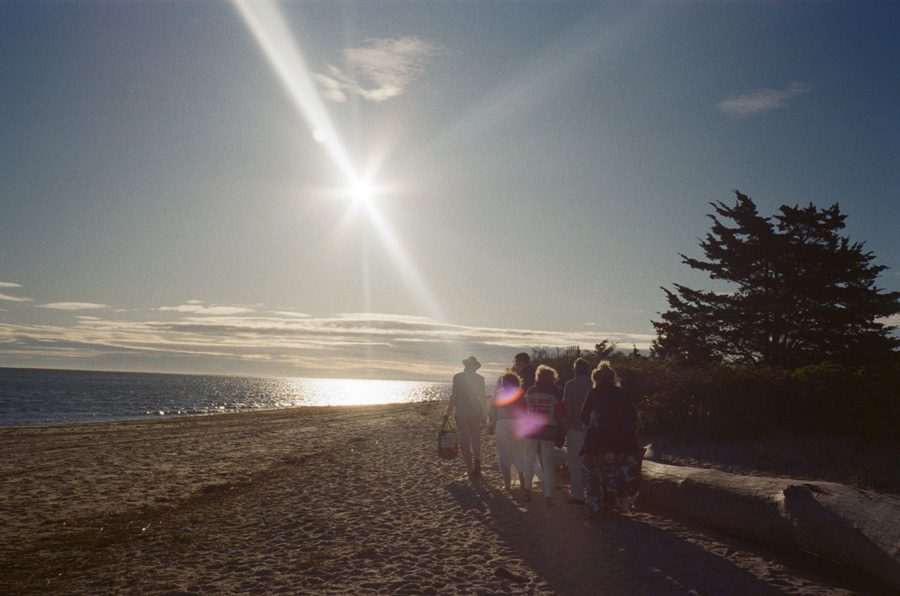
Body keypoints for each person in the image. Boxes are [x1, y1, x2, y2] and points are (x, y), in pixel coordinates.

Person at [580, 361, 640, 518]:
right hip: (620, 442)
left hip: (597, 443)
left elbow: (584, 416)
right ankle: (612, 507)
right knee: (614, 475)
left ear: (596, 378)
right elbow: (632, 417)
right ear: (613, 378)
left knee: (596, 475)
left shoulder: (594, 393)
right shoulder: (623, 394)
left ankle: (597, 506)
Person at [521, 365, 564, 505]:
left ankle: (527, 491)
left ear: (537, 376)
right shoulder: (556, 393)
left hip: (531, 430)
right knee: (547, 462)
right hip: (549, 430)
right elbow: (560, 414)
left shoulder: (531, 391)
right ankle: (548, 496)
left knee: (529, 460)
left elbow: (523, 411)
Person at [445, 356, 487, 479]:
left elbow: (454, 396)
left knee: (465, 440)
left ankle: (469, 469)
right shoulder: (480, 379)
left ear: (465, 365)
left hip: (462, 411)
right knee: (476, 438)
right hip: (476, 410)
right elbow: (482, 398)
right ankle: (477, 460)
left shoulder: (458, 377)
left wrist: (448, 412)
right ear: (475, 366)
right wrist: (484, 414)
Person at [487, 370, 525, 491]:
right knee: (518, 453)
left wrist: (492, 426)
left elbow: (492, 413)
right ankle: (523, 482)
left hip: (502, 424)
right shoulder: (520, 394)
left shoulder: (498, 394)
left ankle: (507, 484)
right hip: (516, 424)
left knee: (504, 454)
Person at [563, 358, 592, 504]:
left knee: (574, 461)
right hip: (591, 429)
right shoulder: (593, 385)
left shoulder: (570, 385)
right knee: (589, 462)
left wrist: (565, 427)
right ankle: (592, 492)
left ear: (575, 370)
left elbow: (567, 407)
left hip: (575, 427)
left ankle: (577, 494)